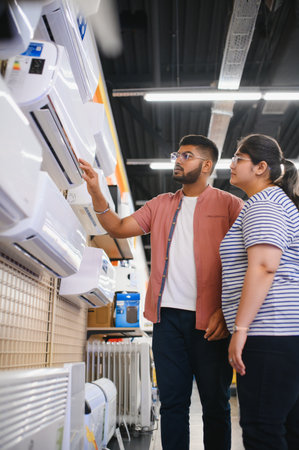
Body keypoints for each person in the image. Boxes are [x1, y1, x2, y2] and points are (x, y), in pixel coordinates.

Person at [79, 134, 243, 450]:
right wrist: (97, 192)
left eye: (187, 156)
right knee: (172, 405)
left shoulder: (230, 206)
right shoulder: (160, 204)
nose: (178, 161)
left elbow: (245, 261)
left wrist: (227, 310)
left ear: (207, 165)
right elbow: (117, 227)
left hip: (212, 323)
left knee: (216, 405)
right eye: (177, 155)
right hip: (167, 322)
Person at [220, 134, 299, 450]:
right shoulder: (275, 203)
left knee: (261, 430)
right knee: (288, 429)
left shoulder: (264, 203)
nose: (232, 163)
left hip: (270, 334)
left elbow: (264, 266)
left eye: (239, 157)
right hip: (284, 334)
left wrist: (241, 329)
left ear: (261, 167)